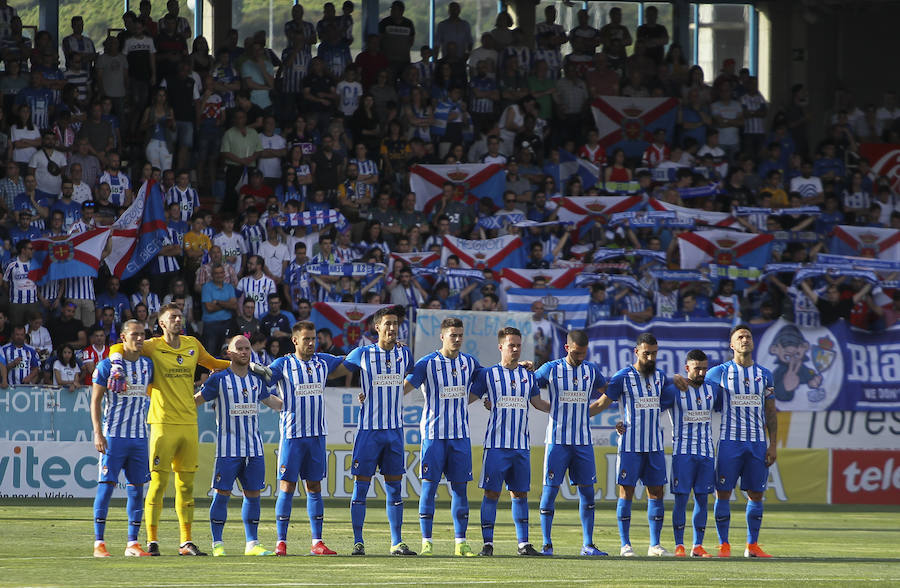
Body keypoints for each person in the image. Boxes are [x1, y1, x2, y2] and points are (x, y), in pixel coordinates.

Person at [107, 303, 234, 556]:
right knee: (157, 484)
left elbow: (212, 363)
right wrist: (117, 365)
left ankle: (186, 542)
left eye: (180, 316)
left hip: (188, 422)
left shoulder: (192, 344)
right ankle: (152, 541)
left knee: (186, 487)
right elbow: (116, 348)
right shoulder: (152, 345)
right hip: (162, 423)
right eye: (172, 317)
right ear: (162, 323)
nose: (178, 319)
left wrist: (241, 363)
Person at [675, 324, 777, 558]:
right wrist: (675, 377)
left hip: (757, 443)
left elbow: (771, 411)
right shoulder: (719, 372)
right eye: (740, 337)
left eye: (748, 336)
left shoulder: (765, 374)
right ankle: (724, 544)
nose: (745, 339)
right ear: (732, 345)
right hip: (730, 442)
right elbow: (694, 382)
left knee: (756, 494)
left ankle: (752, 546)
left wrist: (773, 444)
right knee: (723, 492)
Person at [195, 335, 283, 557]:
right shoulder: (219, 379)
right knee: (222, 493)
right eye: (240, 349)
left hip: (254, 448)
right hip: (228, 449)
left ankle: (252, 543)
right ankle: (218, 544)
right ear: (229, 354)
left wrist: (297, 400)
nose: (245, 352)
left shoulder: (256, 380)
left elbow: (274, 402)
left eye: (247, 348)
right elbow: (197, 400)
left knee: (253, 494)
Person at [267, 321, 351, 556]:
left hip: (316, 436)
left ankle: (317, 542)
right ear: (295, 340)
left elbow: (352, 361)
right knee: (287, 486)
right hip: (292, 436)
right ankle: (281, 542)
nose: (312, 343)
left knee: (314, 486)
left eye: (314, 338)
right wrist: (275, 403)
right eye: (307, 339)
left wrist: (383, 348)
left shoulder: (323, 360)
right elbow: (260, 383)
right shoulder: (283, 364)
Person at [403, 317, 482, 557]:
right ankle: (427, 542)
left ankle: (461, 542)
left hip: (460, 436)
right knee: (429, 488)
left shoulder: (470, 363)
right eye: (452, 335)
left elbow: (490, 378)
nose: (457, 339)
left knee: (460, 490)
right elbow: (404, 388)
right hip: (434, 436)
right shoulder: (427, 363)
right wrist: (374, 394)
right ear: (442, 336)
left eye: (460, 335)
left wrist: (522, 366)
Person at [342, 306, 416, 556]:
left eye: (395, 323)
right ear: (377, 327)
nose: (392, 328)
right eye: (387, 323)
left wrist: (395, 393)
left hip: (394, 431)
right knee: (361, 487)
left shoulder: (405, 354)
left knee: (395, 488)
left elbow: (416, 374)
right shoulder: (362, 353)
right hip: (369, 432)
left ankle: (397, 542)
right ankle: (358, 541)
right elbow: (337, 367)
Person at [470, 326, 550, 557]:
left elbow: (539, 403)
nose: (515, 349)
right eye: (510, 345)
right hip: (496, 446)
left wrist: (563, 410)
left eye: (518, 345)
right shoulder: (488, 374)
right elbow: (467, 398)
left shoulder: (528, 376)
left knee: (520, 494)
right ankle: (488, 544)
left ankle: (523, 544)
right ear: (501, 347)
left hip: (521, 447)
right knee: (491, 493)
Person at [591, 332, 671, 557]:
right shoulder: (622, 377)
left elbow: (663, 405)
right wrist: (578, 415)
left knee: (656, 492)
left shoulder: (661, 378)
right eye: (647, 353)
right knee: (626, 491)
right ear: (636, 352)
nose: (651, 358)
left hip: (654, 445)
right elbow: (602, 402)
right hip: (630, 446)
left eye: (654, 354)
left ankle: (655, 544)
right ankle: (625, 544)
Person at [532, 330, 608, 557]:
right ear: (567, 348)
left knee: (587, 493)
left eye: (584, 352)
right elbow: (527, 385)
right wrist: (544, 406)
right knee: (550, 490)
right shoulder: (551, 368)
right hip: (557, 441)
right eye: (576, 352)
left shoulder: (591, 370)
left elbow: (608, 394)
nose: (580, 356)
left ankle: (588, 544)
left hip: (582, 442)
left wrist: (589, 412)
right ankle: (547, 544)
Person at [90, 320, 155, 558]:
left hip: (139, 438)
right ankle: (99, 543)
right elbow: (95, 401)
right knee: (106, 488)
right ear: (123, 338)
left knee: (137, 491)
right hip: (114, 437)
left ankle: (132, 544)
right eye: (135, 334)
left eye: (142, 335)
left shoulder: (149, 365)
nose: (139, 339)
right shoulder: (107, 366)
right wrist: (98, 433)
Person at [659, 349, 718, 558]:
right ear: (687, 369)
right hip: (683, 453)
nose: (701, 373)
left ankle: (698, 546)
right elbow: (650, 407)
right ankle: (679, 546)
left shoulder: (713, 389)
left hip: (706, 453)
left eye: (704, 368)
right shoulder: (674, 390)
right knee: (681, 500)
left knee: (703, 498)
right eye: (697, 369)